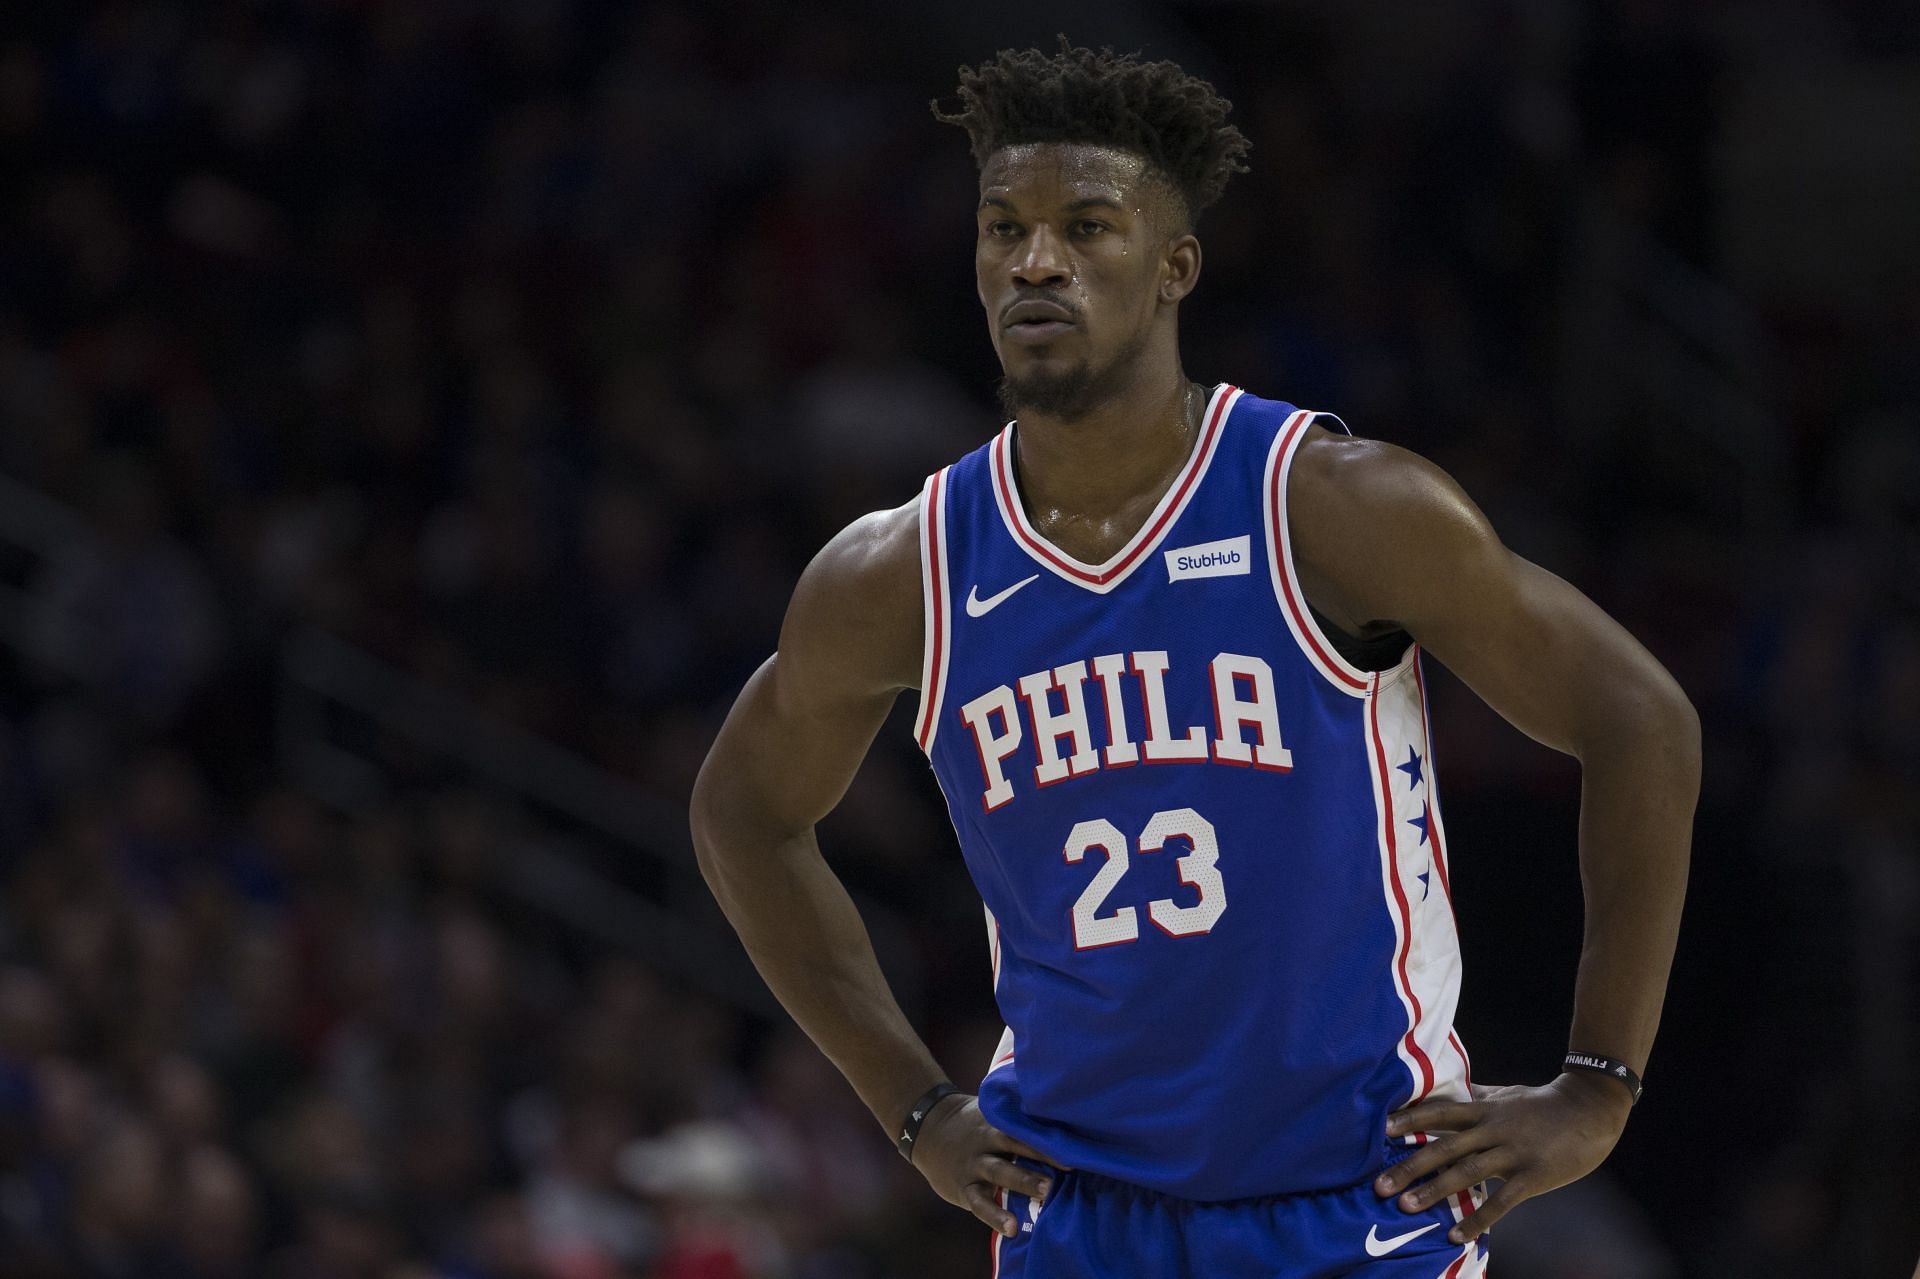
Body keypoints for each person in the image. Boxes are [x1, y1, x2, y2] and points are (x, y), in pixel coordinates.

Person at [690, 38, 1699, 1278]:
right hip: (1078, 1210)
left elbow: (1641, 719)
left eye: (1087, 226)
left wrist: (1599, 1084)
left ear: (1175, 268)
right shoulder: (901, 571)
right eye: (1002, 228)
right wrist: (915, 1107)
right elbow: (742, 813)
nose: (1036, 260)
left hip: (1358, 1197)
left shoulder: (1329, 506)